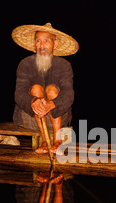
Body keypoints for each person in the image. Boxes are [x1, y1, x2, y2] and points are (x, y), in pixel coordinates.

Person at [12, 23, 79, 154]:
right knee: (36, 89)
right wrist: (34, 101)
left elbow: (68, 94)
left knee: (51, 89)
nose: (42, 46)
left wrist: (52, 104)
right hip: (31, 120)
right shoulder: (25, 64)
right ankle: (44, 140)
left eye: (46, 41)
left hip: (58, 117)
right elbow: (19, 93)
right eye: (38, 41)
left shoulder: (64, 65)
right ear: (34, 43)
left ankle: (57, 140)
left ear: (55, 44)